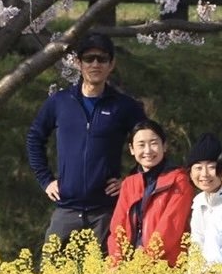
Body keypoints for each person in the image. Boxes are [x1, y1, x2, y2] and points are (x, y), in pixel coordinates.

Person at [26, 32, 145, 252]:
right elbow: (35, 138)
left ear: (111, 64)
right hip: (66, 208)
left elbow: (148, 143)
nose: (95, 64)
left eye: (102, 59)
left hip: (106, 210)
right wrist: (45, 180)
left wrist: (130, 180)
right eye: (89, 59)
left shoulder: (124, 106)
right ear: (78, 63)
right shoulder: (60, 102)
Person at [108, 119, 193, 267]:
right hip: (130, 267)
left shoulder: (179, 180)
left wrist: (144, 263)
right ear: (132, 149)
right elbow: (117, 228)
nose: (148, 151)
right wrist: (116, 263)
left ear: (164, 146)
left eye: (153, 143)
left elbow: (170, 227)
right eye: (141, 145)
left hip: (165, 267)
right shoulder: (129, 183)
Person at [185, 132, 222, 259]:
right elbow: (197, 245)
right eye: (198, 168)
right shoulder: (199, 203)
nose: (204, 174)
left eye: (212, 167)